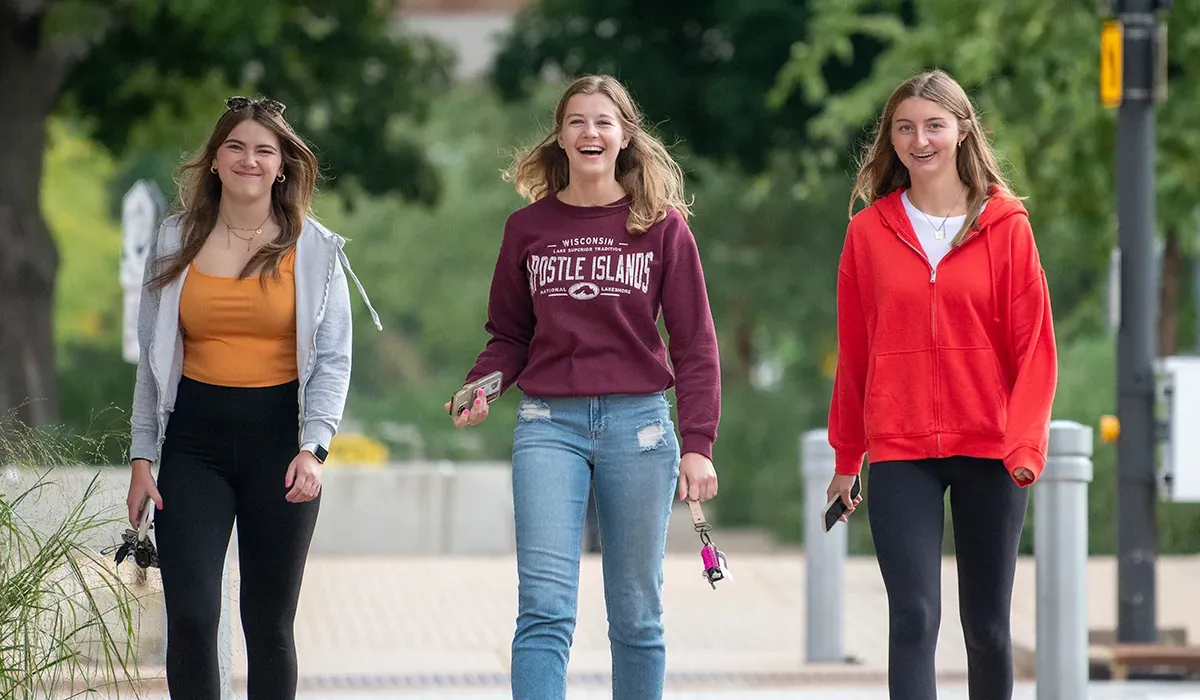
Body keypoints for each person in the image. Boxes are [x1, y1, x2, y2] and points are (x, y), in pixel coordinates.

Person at [446, 74, 721, 700]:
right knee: (543, 608)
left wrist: (699, 442)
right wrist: (480, 386)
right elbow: (509, 336)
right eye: (576, 121)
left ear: (625, 136)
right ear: (560, 136)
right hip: (548, 426)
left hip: (642, 429)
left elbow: (696, 345)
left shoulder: (662, 228)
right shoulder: (528, 229)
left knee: (636, 615)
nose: (589, 132)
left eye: (603, 121)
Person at [124, 95, 381, 700]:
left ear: (283, 165)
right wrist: (141, 458)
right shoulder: (172, 242)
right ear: (214, 160)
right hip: (193, 446)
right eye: (235, 147)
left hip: (280, 448)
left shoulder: (316, 249)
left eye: (264, 150)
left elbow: (334, 361)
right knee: (190, 618)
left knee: (268, 626)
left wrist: (314, 449)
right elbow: (151, 365)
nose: (249, 160)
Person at [825, 69, 1057, 700]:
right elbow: (855, 355)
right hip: (901, 452)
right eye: (905, 127)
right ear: (891, 139)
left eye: (933, 125)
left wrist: (1024, 444)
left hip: (990, 449)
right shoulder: (868, 233)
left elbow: (1035, 348)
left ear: (961, 132)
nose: (919, 139)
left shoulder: (1006, 226)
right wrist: (847, 458)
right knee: (915, 617)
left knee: (985, 627)